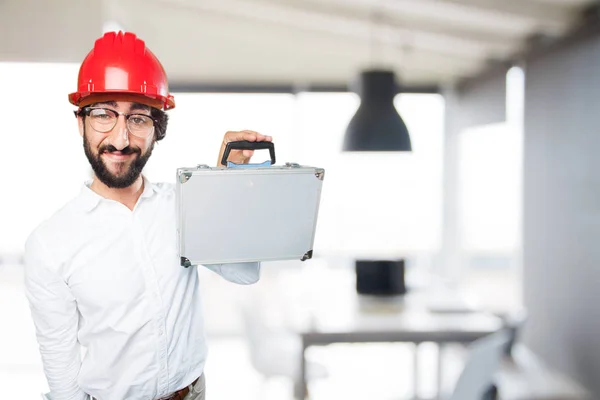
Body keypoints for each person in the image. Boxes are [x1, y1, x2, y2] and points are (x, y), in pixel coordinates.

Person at [23, 31, 272, 400]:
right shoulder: (50, 243)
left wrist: (227, 185)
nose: (120, 139)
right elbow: (62, 372)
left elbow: (244, 272)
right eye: (104, 114)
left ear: (157, 129)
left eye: (138, 118)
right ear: (81, 122)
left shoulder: (184, 205)